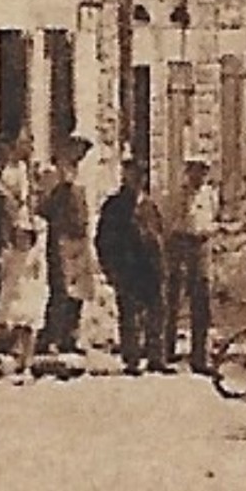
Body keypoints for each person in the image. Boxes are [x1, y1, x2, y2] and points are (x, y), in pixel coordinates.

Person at [95, 160, 166, 374]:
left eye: (142, 176)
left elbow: (159, 234)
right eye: (134, 175)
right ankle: (132, 358)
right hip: (127, 265)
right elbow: (103, 238)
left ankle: (156, 356)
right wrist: (109, 267)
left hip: (150, 266)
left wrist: (161, 262)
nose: (138, 180)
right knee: (129, 312)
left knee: (156, 310)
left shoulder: (149, 206)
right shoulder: (114, 206)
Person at [37, 133, 95, 355]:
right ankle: (52, 336)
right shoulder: (54, 174)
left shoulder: (81, 175)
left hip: (79, 238)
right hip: (61, 237)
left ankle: (71, 336)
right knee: (61, 289)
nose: (79, 155)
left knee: (79, 291)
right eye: (76, 149)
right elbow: (44, 207)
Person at [0, 130, 45, 372]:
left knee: (27, 295)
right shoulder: (8, 171)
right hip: (8, 226)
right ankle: (10, 346)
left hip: (20, 225)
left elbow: (28, 202)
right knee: (11, 290)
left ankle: (25, 355)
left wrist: (30, 223)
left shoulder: (25, 171)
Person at [164, 159, 221, 373]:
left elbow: (212, 218)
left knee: (202, 301)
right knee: (173, 298)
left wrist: (211, 231)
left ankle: (200, 356)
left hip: (202, 245)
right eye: (196, 170)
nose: (200, 175)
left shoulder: (209, 195)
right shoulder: (176, 195)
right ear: (188, 172)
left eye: (204, 171)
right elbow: (170, 222)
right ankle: (165, 349)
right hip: (180, 243)